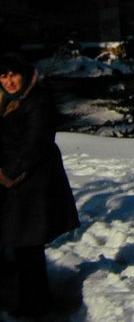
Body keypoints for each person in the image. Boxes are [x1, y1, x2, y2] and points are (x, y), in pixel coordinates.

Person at [0, 53, 79, 318]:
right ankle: (32, 297)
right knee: (22, 245)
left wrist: (8, 174)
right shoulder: (9, 101)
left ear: (25, 75)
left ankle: (35, 304)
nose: (9, 81)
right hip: (19, 183)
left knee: (28, 245)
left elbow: (35, 142)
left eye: (14, 75)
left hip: (33, 183)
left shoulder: (37, 101)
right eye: (3, 76)